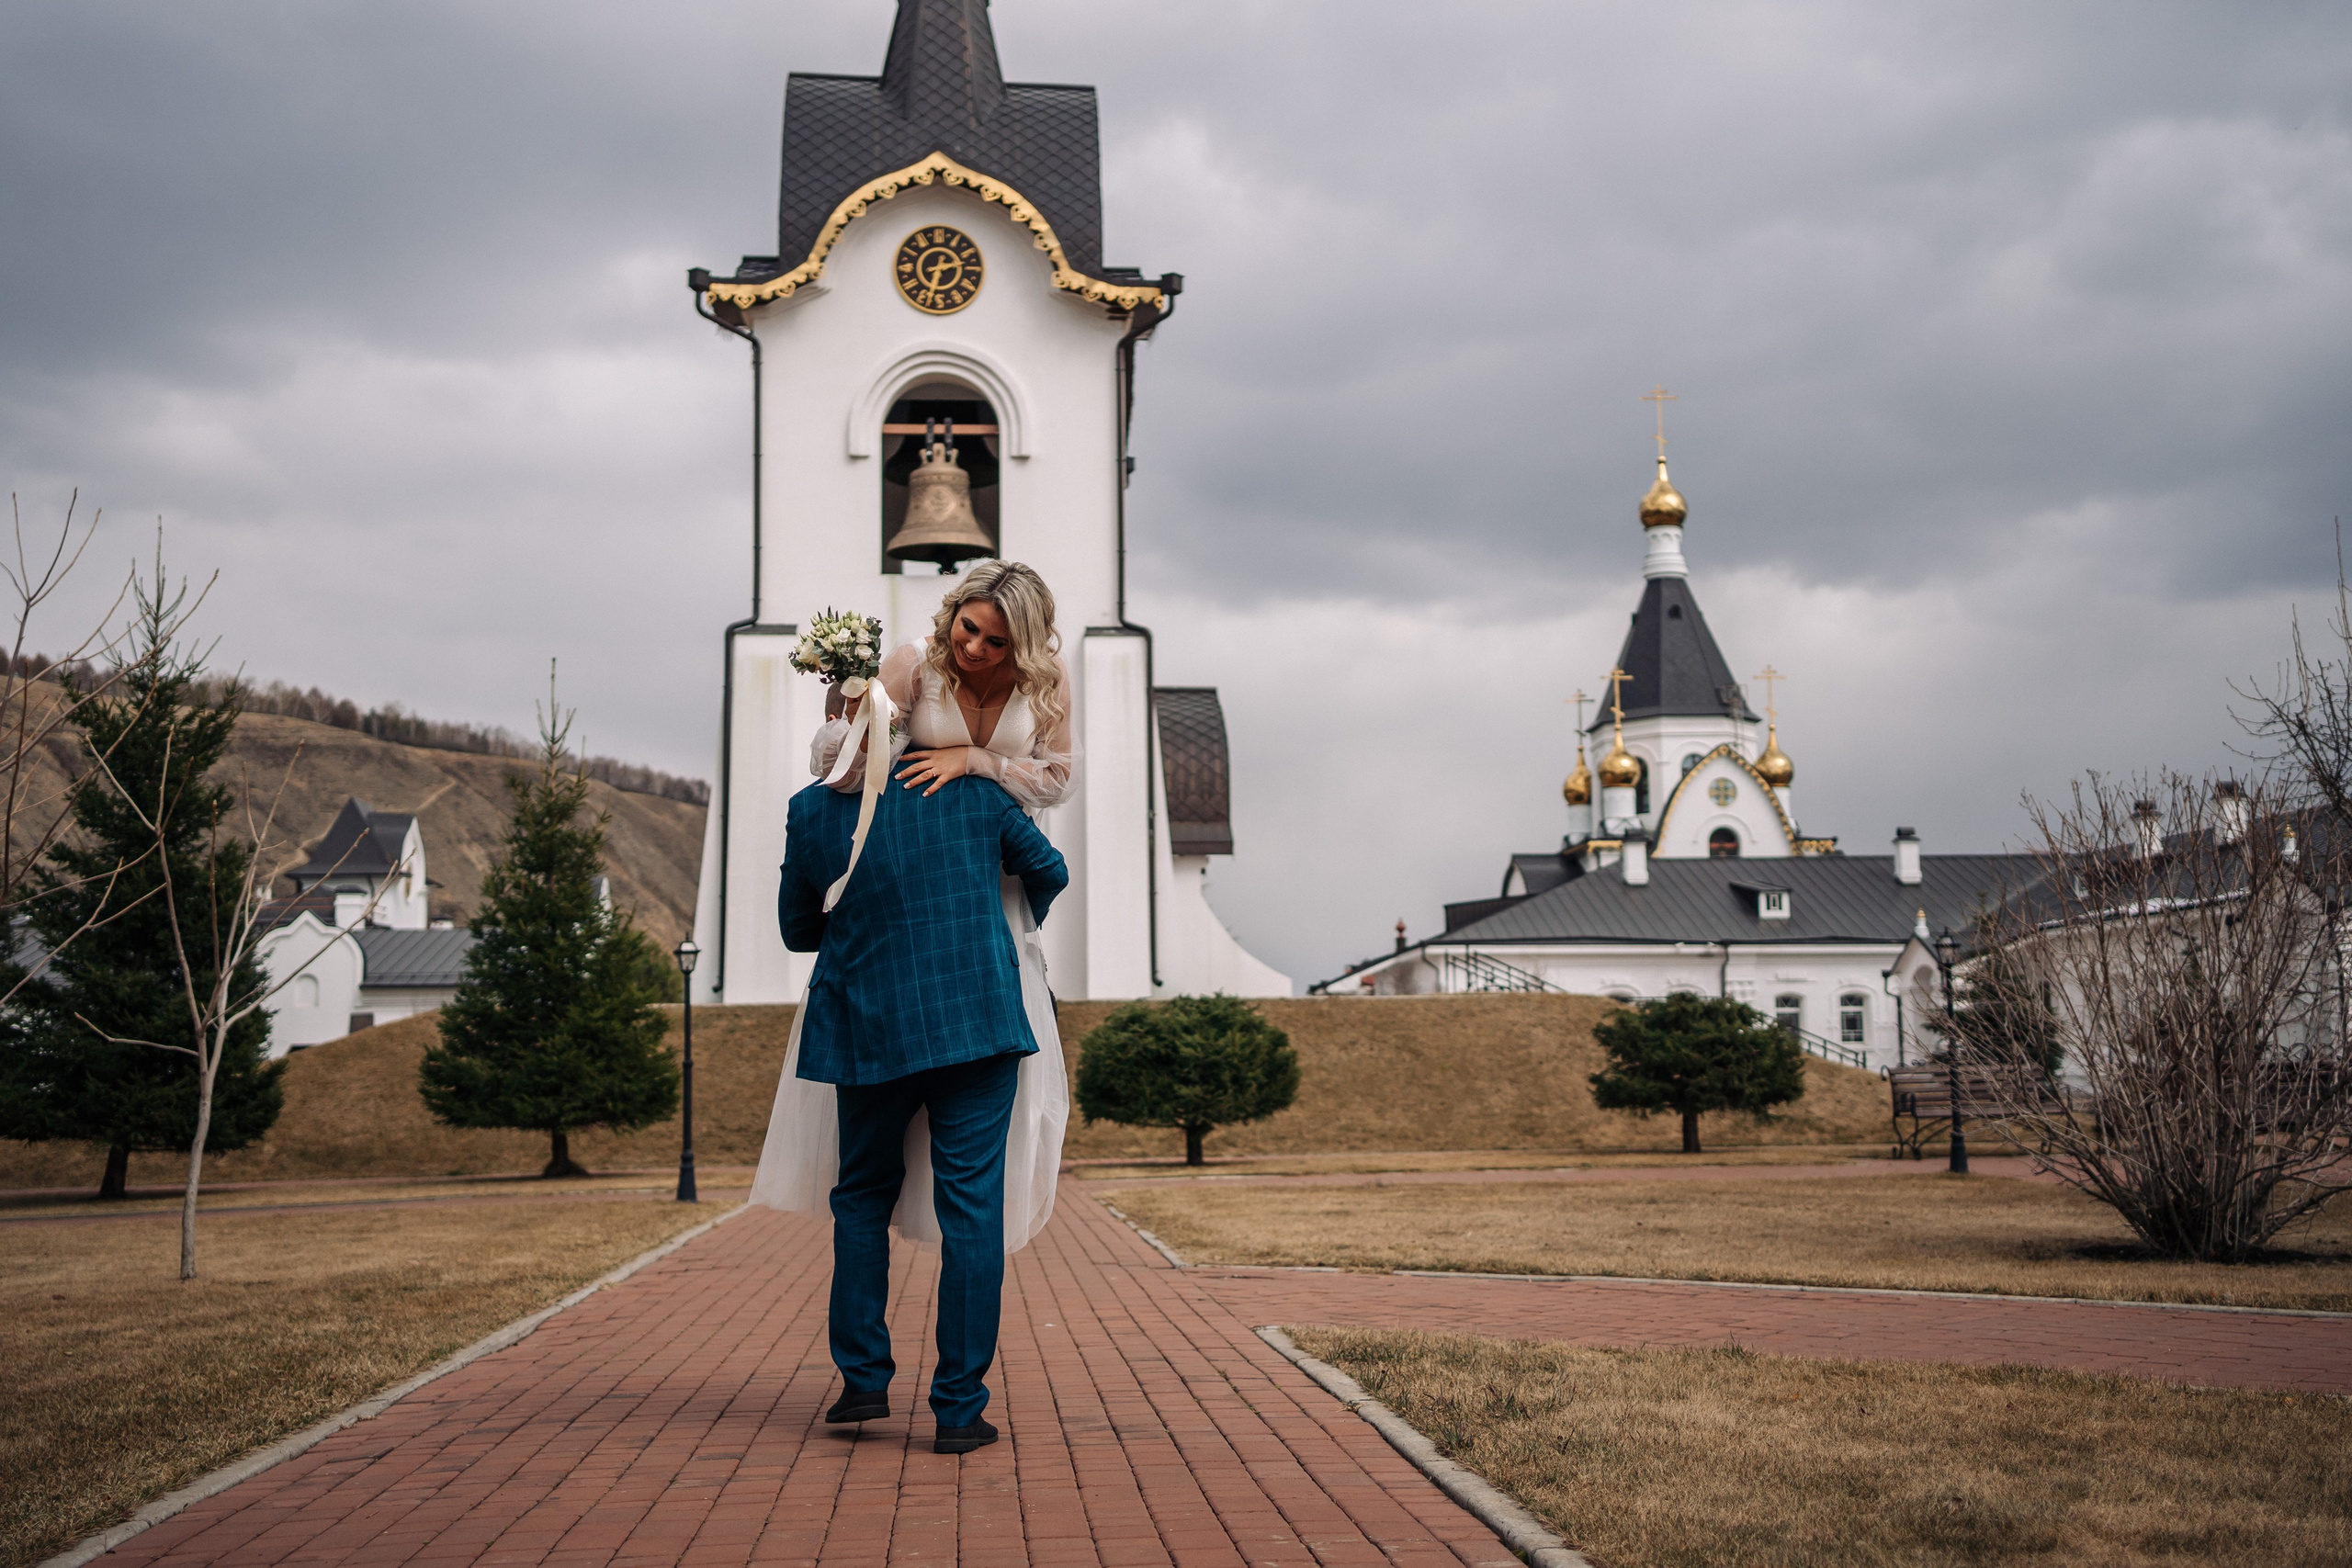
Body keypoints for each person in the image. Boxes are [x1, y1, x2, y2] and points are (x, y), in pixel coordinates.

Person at [751, 560, 1079, 1251]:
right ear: (953, 611)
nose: (976, 650)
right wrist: (847, 711)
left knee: (978, 1128)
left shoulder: (1048, 684)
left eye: (997, 643)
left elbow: (1056, 779)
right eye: (970, 628)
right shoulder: (914, 665)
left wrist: (974, 760)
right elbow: (850, 773)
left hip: (995, 881)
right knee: (884, 1167)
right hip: (913, 874)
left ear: (1024, 646)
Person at [775, 761, 1068, 1453]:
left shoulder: (810, 808)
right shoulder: (970, 790)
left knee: (862, 1197)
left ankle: (862, 1380)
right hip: (975, 1019)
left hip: (868, 1023)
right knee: (972, 1208)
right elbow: (1048, 868)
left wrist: (871, 929)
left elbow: (796, 928)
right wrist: (992, 916)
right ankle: (959, 1411)